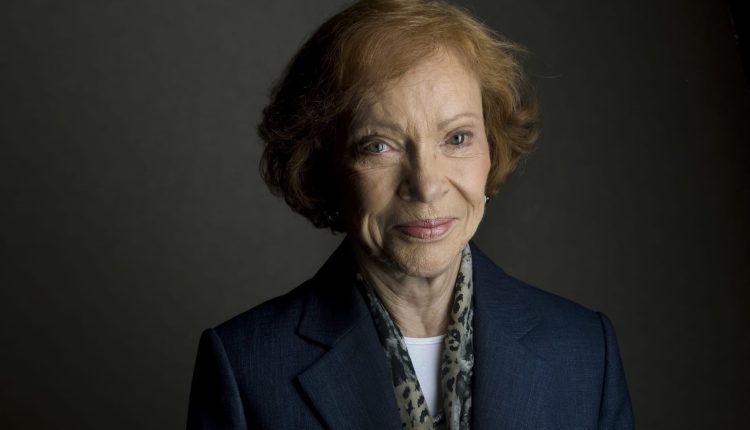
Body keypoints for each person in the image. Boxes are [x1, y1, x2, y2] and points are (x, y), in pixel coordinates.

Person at [187, 0, 634, 428]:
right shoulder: (246, 367)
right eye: (378, 145)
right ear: (323, 165)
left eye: (457, 138)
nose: (425, 185)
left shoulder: (583, 351)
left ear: (493, 148)